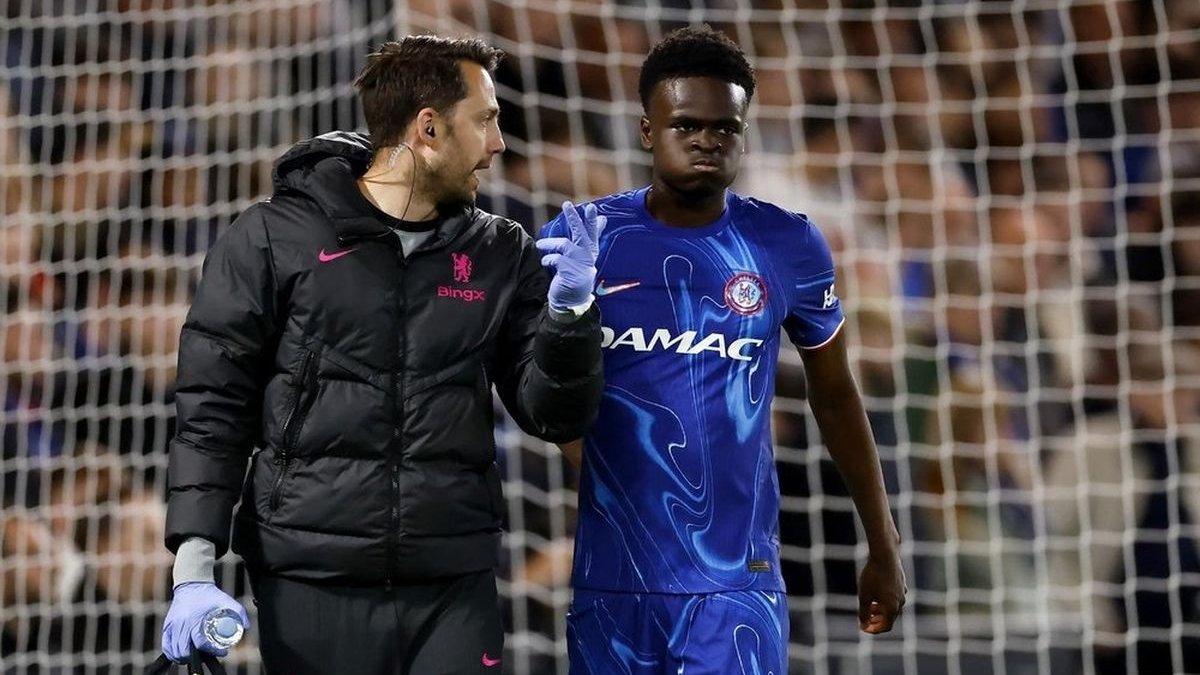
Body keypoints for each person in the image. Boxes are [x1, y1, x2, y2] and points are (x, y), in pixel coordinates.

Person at [158, 35, 605, 674]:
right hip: (311, 576)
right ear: (428, 129)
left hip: (453, 580)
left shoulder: (500, 252)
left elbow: (550, 414)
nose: (499, 144)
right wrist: (194, 572)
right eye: (485, 120)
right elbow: (212, 414)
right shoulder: (270, 239)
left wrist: (570, 317)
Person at [542, 26, 906, 673]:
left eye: (725, 128)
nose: (707, 140)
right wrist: (599, 458)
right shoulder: (587, 240)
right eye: (686, 125)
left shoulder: (786, 243)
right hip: (613, 581)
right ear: (648, 130)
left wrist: (884, 542)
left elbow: (835, 392)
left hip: (736, 587)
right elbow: (537, 387)